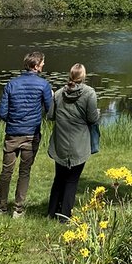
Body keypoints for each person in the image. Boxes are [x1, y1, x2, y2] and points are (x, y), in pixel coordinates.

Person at [0, 49, 53, 217]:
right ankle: (18, 209)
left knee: (6, 172)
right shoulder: (43, 85)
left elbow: (2, 112)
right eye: (42, 62)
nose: (44, 64)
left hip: (12, 134)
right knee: (24, 172)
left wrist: (14, 121)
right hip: (31, 135)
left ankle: (1, 208)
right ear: (35, 65)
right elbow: (50, 110)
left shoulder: (11, 84)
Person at [46, 63, 100, 221]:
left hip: (60, 143)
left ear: (70, 76)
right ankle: (64, 216)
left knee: (59, 178)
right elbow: (92, 118)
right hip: (79, 145)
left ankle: (51, 212)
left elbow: (50, 116)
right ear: (83, 77)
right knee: (72, 180)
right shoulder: (90, 93)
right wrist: (97, 113)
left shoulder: (58, 93)